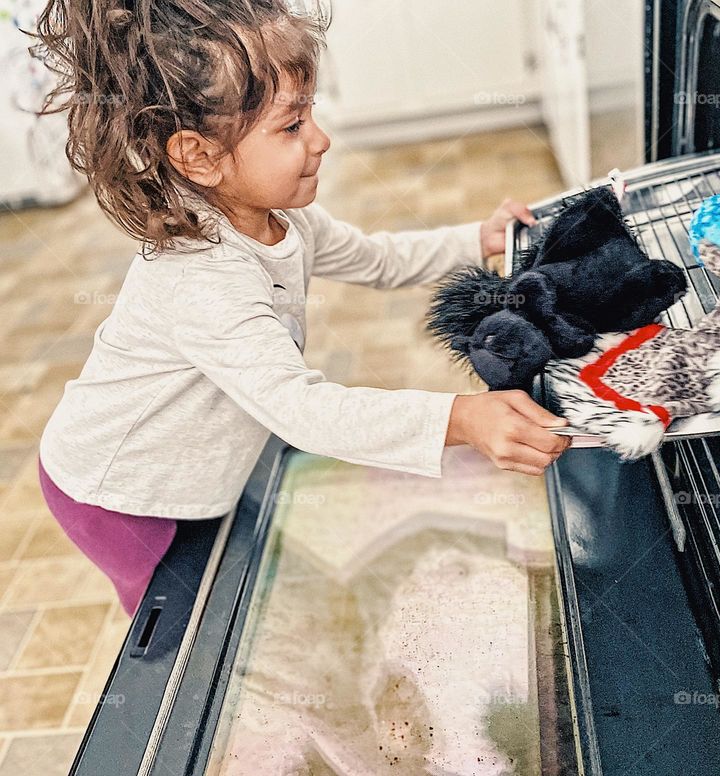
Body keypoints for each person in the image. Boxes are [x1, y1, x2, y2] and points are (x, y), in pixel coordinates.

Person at [31, 0, 571, 615]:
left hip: (189, 468)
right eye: (291, 127)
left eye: (310, 112)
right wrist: (460, 419)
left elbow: (376, 258)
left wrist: (478, 238)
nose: (321, 138)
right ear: (198, 156)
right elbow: (304, 411)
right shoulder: (202, 278)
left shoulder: (283, 218)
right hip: (119, 493)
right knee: (179, 617)